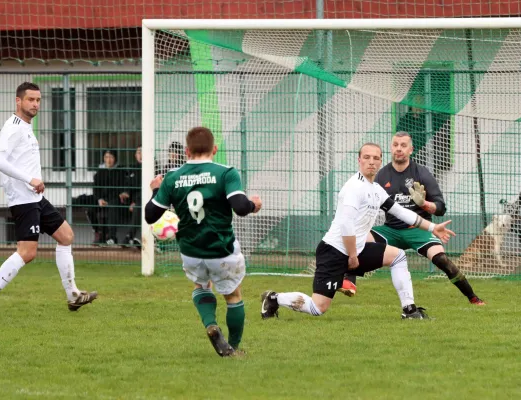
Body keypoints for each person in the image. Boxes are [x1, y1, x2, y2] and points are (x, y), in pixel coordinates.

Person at [260, 142, 455, 321]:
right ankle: (274, 298)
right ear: (359, 160)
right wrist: (352, 256)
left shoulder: (376, 189)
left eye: (376, 158)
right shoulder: (354, 187)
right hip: (335, 251)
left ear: (380, 161)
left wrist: (432, 227)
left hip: (357, 249)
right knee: (318, 308)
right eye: (367, 157)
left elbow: (400, 212)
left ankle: (409, 310)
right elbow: (346, 224)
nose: (371, 162)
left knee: (398, 257)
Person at [0, 82, 97, 316]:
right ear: (18, 101)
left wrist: (33, 183)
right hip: (23, 199)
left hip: (35, 198)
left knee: (66, 236)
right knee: (27, 252)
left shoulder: (26, 127)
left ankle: (73, 295)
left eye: (38, 100)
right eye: (30, 99)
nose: (35, 104)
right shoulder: (13, 126)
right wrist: (30, 179)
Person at [144, 127, 262, 357]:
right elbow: (239, 207)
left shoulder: (172, 177)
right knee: (233, 296)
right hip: (221, 248)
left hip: (190, 249)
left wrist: (155, 190)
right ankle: (234, 348)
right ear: (214, 149)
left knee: (200, 287)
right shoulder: (226, 173)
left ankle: (210, 324)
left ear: (187, 151)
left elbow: (150, 215)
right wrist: (253, 204)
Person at [341, 132, 484, 305]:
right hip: (391, 230)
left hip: (418, 230)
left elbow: (440, 208)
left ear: (411, 150)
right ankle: (348, 281)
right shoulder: (382, 175)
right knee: (356, 238)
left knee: (442, 260)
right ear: (391, 148)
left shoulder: (422, 173)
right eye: (395, 145)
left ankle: (473, 297)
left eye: (403, 145)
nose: (399, 149)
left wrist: (425, 204)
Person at [93, 149, 130, 245]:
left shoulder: (121, 171)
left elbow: (123, 188)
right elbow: (96, 189)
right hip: (102, 199)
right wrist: (100, 199)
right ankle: (99, 234)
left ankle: (112, 237)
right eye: (106, 157)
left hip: (115, 199)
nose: (108, 160)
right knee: (90, 207)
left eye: (111, 157)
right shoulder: (99, 172)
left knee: (113, 205)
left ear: (115, 158)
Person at [123, 146, 142, 248]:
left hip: (145, 200)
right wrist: (125, 193)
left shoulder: (152, 167)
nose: (141, 155)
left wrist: (134, 201)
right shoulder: (132, 169)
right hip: (134, 200)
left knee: (138, 206)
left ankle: (130, 236)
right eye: (139, 152)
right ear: (135, 155)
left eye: (143, 152)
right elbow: (128, 187)